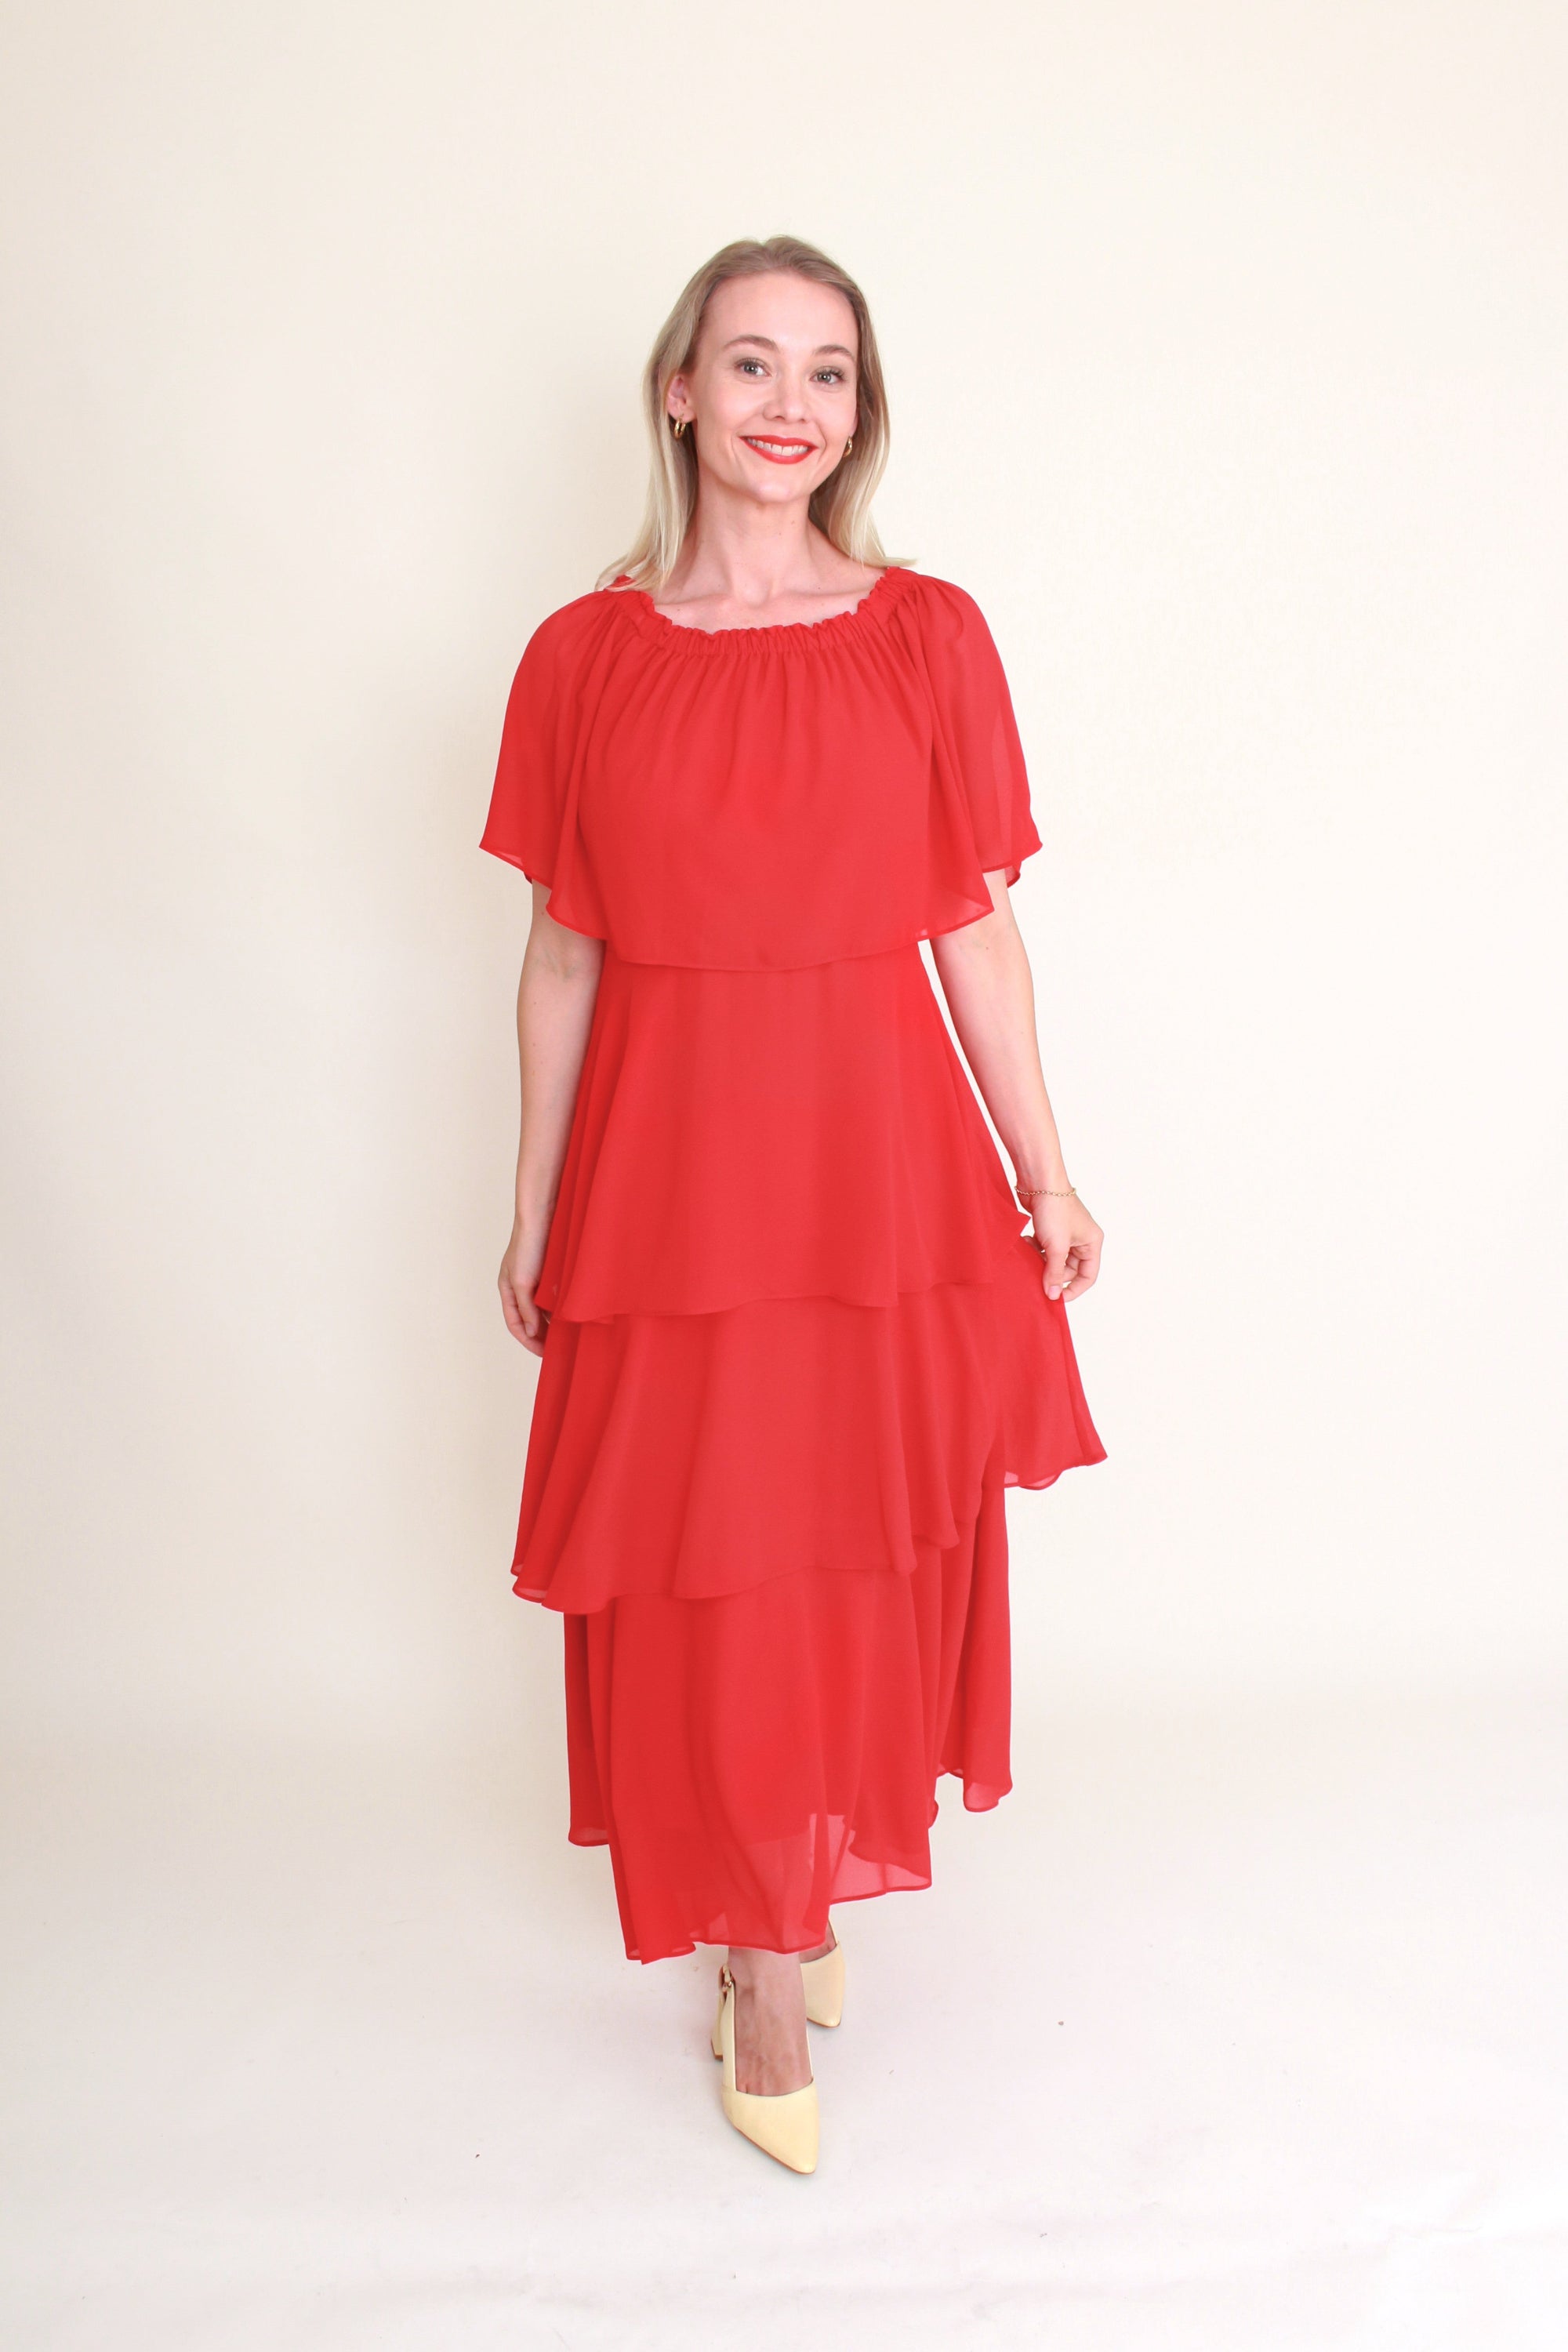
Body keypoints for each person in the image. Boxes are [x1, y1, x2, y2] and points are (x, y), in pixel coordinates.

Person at [480, 234, 1106, 2175]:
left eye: (823, 374)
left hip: (878, 1174)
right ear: (678, 393)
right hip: (669, 1184)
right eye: (747, 367)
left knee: (839, 1547)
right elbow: (563, 958)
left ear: (859, 409)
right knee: (709, 1557)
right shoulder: (583, 658)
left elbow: (974, 930)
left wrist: (1045, 1162)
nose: (785, 408)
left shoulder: (928, 634)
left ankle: (794, 1891)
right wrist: (530, 1209)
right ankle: (761, 1952)